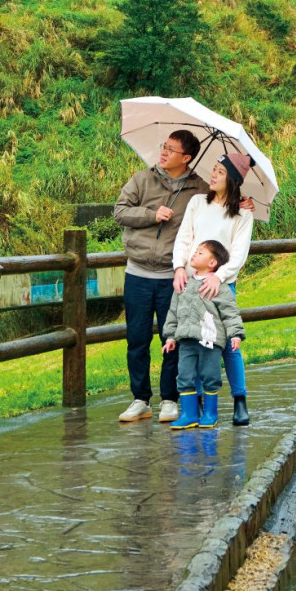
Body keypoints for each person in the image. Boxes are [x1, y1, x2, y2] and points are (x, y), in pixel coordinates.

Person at [112, 129, 208, 424]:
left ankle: (170, 399)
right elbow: (120, 212)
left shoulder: (200, 188)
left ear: (186, 158)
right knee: (137, 339)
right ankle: (140, 399)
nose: (163, 152)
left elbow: (220, 208)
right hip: (138, 273)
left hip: (174, 276)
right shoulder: (142, 179)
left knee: (173, 339)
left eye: (171, 149)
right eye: (163, 146)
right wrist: (152, 214)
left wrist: (242, 205)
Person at [172, 151, 256, 425]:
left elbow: (239, 252)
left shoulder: (243, 213)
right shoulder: (198, 202)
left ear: (232, 179)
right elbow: (184, 238)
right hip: (192, 283)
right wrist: (180, 267)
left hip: (221, 285)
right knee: (193, 340)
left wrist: (218, 277)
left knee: (228, 344)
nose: (214, 175)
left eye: (220, 172)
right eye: (215, 170)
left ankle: (240, 399)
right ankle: (195, 403)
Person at [161, 239, 244, 431]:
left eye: (200, 253)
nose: (194, 254)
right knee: (184, 376)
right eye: (195, 251)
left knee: (210, 375)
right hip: (186, 341)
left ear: (212, 263)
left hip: (210, 341)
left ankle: (210, 413)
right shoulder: (184, 284)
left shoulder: (219, 286)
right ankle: (189, 414)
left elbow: (230, 312)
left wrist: (235, 334)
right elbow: (173, 312)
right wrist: (171, 337)